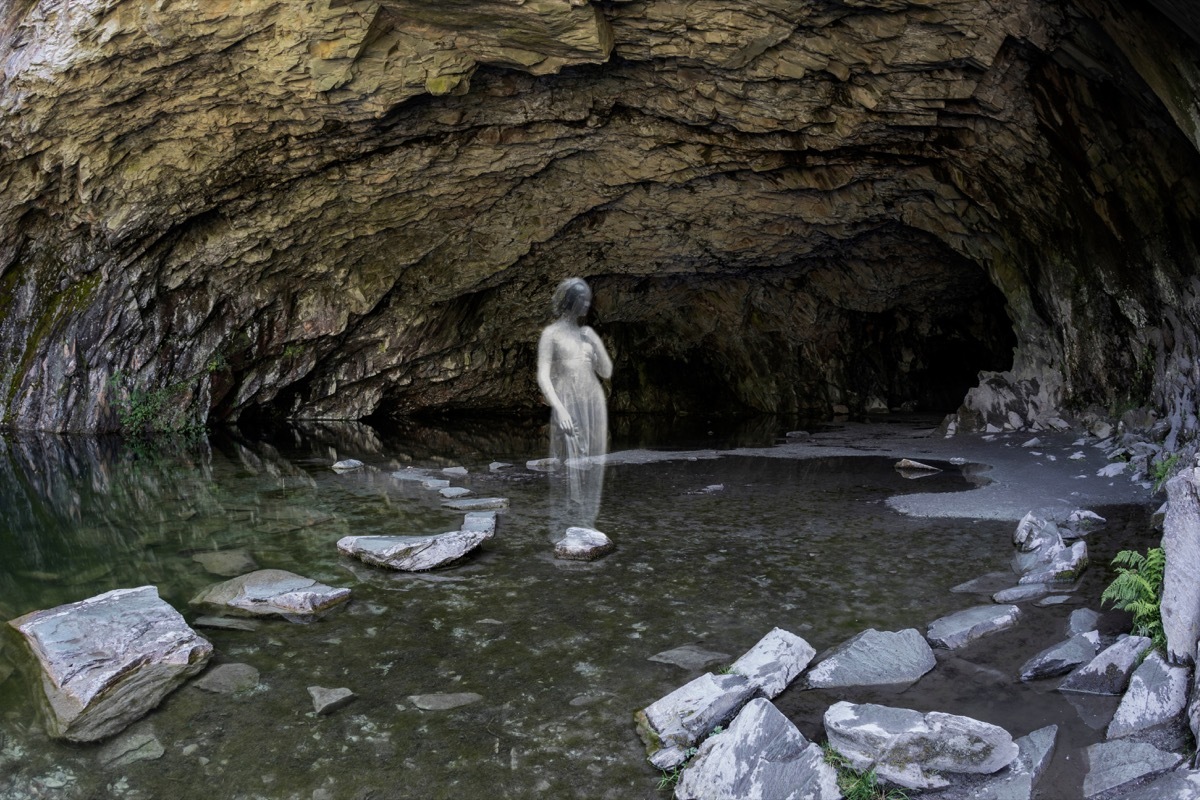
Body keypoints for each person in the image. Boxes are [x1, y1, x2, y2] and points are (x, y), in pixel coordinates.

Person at [537, 278, 612, 526]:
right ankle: (567, 521)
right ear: (570, 301)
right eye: (583, 299)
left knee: (591, 462)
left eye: (589, 299)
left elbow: (607, 371)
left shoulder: (586, 334)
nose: (588, 304)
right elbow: (543, 375)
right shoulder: (552, 334)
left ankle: (587, 520)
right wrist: (560, 409)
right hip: (567, 401)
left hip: (592, 402)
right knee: (568, 462)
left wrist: (594, 346)